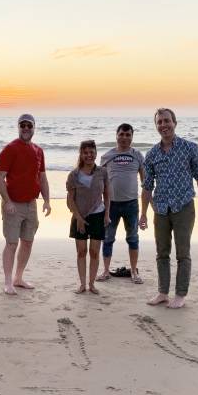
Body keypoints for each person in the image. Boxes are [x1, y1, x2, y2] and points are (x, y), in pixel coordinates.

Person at [139, 108, 198, 309]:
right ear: (156, 126)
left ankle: (180, 294)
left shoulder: (190, 148)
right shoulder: (152, 154)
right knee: (161, 252)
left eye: (167, 121)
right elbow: (147, 187)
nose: (163, 125)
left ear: (175, 122)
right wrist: (143, 213)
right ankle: (163, 292)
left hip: (184, 207)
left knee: (183, 253)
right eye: (159, 122)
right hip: (161, 208)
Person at [0, 113, 51, 295]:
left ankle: (18, 278)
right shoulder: (9, 149)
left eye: (29, 125)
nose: (26, 128)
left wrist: (47, 201)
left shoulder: (38, 150)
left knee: (27, 242)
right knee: (11, 243)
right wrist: (7, 201)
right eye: (22, 125)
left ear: (34, 127)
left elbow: (42, 178)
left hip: (31, 204)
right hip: (13, 205)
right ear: (18, 127)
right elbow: (0, 178)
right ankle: (7, 282)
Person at [97, 123, 145, 284]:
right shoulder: (107, 156)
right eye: (122, 134)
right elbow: (98, 180)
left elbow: (145, 182)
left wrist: (148, 206)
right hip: (111, 205)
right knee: (108, 238)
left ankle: (134, 272)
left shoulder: (137, 155)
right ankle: (105, 271)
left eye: (128, 135)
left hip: (131, 204)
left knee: (132, 238)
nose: (124, 137)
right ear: (116, 135)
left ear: (132, 137)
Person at [66, 140, 111, 294]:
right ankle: (82, 284)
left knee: (94, 252)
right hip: (79, 216)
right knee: (81, 251)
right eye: (85, 152)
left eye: (91, 152)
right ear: (81, 154)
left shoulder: (102, 172)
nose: (89, 155)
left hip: (98, 215)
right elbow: (70, 200)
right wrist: (78, 218)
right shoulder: (74, 175)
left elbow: (107, 193)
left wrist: (107, 214)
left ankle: (91, 284)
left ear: (96, 153)